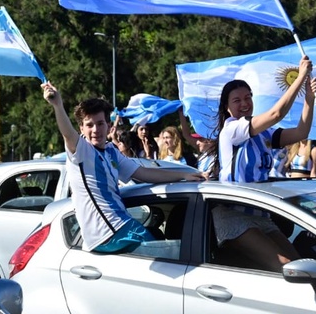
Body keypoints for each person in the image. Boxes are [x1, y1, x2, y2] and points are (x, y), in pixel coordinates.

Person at [41, 82, 203, 253]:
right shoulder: (82, 151)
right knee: (171, 254)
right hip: (107, 234)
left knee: (168, 248)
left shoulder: (111, 151)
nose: (95, 129)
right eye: (89, 125)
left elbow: (144, 173)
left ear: (109, 126)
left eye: (100, 123)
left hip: (121, 226)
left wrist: (184, 175)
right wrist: (58, 106)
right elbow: (67, 133)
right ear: (81, 128)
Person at [212, 55, 316, 271]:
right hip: (234, 214)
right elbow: (276, 113)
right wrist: (300, 78)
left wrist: (309, 97)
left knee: (303, 266)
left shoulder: (263, 133)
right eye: (237, 100)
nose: (244, 103)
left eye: (248, 97)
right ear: (227, 108)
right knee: (288, 268)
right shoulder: (231, 129)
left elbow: (301, 132)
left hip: (261, 213)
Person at [179, 109, 218, 180]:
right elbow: (186, 135)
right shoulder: (203, 154)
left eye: (200, 140)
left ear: (209, 141)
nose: (197, 142)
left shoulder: (219, 155)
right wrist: (181, 113)